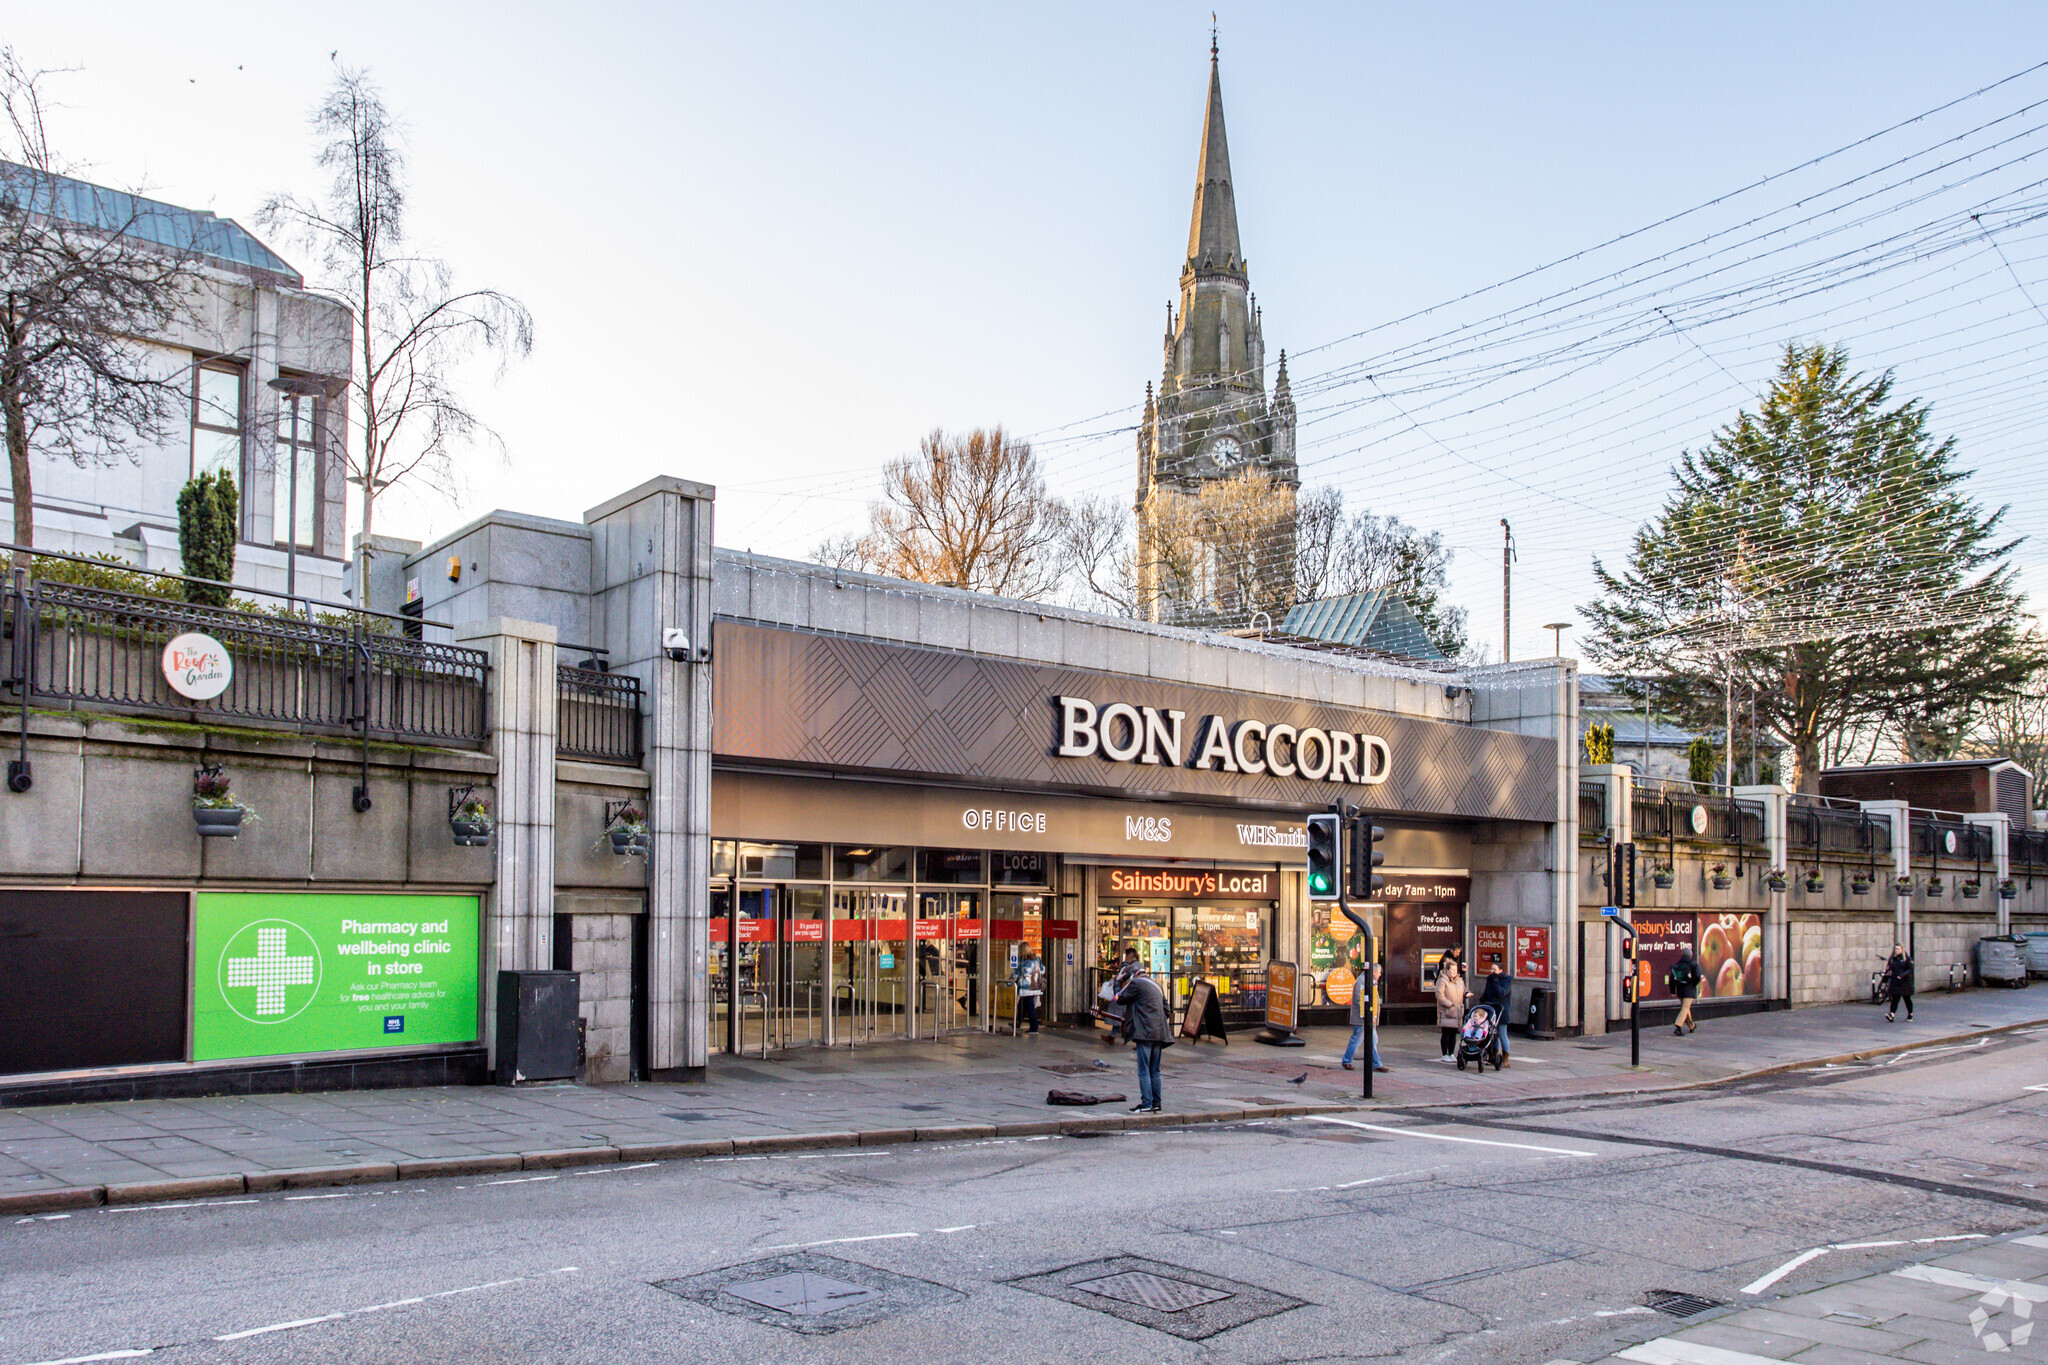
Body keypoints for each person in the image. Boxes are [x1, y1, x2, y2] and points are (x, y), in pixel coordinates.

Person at [1113, 964, 1174, 1113]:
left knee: (1144, 1070)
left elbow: (1118, 999)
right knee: (1155, 1071)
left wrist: (1118, 981)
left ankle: (1146, 1104)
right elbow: (1167, 1010)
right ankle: (1156, 1104)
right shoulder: (1157, 985)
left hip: (1145, 1033)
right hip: (1159, 1033)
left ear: (1132, 976)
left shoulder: (1135, 983)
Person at [1341, 961, 1387, 1072]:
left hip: (1369, 1018)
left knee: (1372, 1041)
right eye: (1379, 972)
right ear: (1374, 972)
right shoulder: (1362, 981)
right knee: (1357, 1040)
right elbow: (1359, 1000)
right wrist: (1368, 1015)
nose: (1380, 975)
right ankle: (1347, 1060)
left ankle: (1376, 1063)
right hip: (1362, 1019)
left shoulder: (1370, 981)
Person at [1479, 954, 1514, 1068]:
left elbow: (1501, 993)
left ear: (1501, 970)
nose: (1492, 971)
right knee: (1492, 1034)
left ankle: (1505, 1059)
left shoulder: (1506, 981)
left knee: (1501, 1033)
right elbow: (1486, 994)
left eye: (1495, 969)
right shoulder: (1490, 979)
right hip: (1490, 1009)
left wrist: (1495, 981)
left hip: (1501, 1010)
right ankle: (1493, 1056)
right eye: (1491, 969)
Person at [1435, 956, 1466, 1062]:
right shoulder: (1442, 980)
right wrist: (1449, 1004)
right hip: (1447, 1011)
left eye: (1455, 970)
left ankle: (1451, 1053)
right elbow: (1439, 994)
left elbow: (1463, 990)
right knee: (1446, 1032)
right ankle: (1444, 1054)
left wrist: (1467, 994)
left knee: (1453, 1033)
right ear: (1447, 970)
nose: (1454, 972)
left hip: (1456, 1011)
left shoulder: (1459, 981)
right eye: (1452, 970)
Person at [1669, 947, 1702, 1035]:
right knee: (1685, 1008)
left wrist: (1672, 991)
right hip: (1689, 990)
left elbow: (1672, 979)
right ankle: (1678, 1026)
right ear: (1690, 955)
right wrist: (1693, 983)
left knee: (1686, 1009)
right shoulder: (1693, 964)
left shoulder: (1677, 965)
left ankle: (1692, 1026)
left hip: (1680, 990)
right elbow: (1698, 976)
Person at [1013, 946, 1045, 1034]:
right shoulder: (1037, 959)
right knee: (1021, 1005)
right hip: (1035, 986)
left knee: (1030, 1007)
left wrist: (1009, 982)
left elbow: (1016, 973)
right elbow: (1042, 970)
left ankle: (1034, 1027)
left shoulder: (1022, 961)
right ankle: (1017, 1023)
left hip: (1026, 987)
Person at [1882, 944, 1915, 1022]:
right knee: (1895, 999)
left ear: (1902, 949)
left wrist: (1902, 975)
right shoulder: (1892, 959)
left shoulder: (1907, 959)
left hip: (1905, 982)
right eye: (1896, 949)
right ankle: (1892, 1014)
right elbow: (1888, 970)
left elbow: (1910, 969)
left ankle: (1910, 1014)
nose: (1896, 950)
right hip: (1895, 981)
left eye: (1898, 949)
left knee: (1907, 999)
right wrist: (1885, 979)